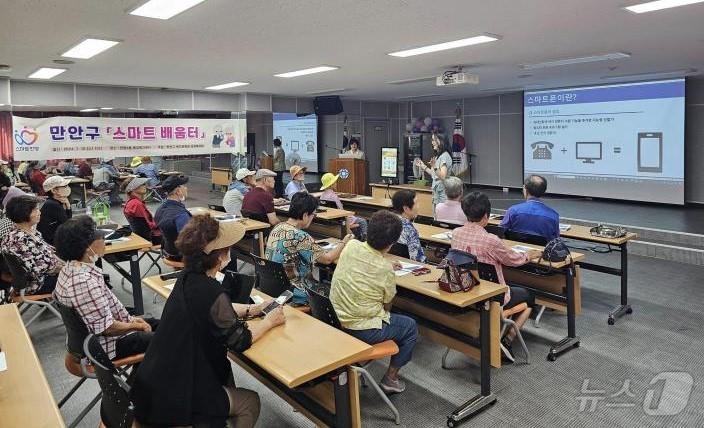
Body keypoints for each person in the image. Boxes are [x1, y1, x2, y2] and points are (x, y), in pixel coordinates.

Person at [132, 215, 285, 427]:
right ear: (218, 255)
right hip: (177, 397)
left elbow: (217, 310)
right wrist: (269, 321)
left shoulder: (187, 278)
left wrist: (254, 308)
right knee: (250, 401)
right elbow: (240, 341)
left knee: (225, 377)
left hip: (154, 384)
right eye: (228, 248)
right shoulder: (210, 290)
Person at [330, 210, 418, 393]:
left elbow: (367, 258)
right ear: (392, 244)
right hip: (362, 329)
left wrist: (384, 264)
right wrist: (385, 268)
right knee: (410, 326)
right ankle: (390, 379)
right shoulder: (385, 270)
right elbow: (387, 305)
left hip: (334, 319)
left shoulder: (352, 246)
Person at [53, 216, 158, 360]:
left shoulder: (69, 268)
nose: (104, 240)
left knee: (162, 325)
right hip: (107, 346)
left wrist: (131, 320)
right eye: (99, 237)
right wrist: (135, 326)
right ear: (86, 247)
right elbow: (107, 329)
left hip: (98, 337)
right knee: (167, 340)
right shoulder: (84, 282)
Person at [452, 192, 542, 355]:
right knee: (529, 297)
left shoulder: (456, 233)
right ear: (486, 216)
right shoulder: (491, 240)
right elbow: (514, 260)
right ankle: (507, 340)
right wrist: (530, 254)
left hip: (468, 288)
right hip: (494, 296)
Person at [265, 193, 353, 304]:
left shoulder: (278, 227)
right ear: (305, 215)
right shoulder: (300, 236)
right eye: (313, 215)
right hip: (296, 291)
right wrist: (344, 241)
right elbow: (327, 259)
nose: (313, 218)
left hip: (276, 286)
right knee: (339, 294)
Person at [1, 195, 64, 294]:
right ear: (24, 214)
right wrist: (70, 267)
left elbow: (49, 253)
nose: (39, 212)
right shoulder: (21, 241)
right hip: (39, 284)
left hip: (43, 275)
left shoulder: (27, 231)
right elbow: (48, 268)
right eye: (36, 210)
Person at [500, 175, 560, 241]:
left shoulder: (513, 211)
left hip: (515, 249)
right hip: (541, 250)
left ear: (525, 190)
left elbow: (501, 231)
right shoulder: (554, 216)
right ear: (544, 191)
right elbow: (556, 240)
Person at [319, 172, 367, 240]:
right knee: (363, 221)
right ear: (331, 185)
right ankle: (363, 240)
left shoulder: (322, 195)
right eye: (335, 182)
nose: (336, 184)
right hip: (341, 219)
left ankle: (357, 238)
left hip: (332, 220)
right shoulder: (334, 196)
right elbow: (342, 211)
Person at [155, 175, 192, 260]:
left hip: (167, 250)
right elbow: (188, 240)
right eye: (184, 186)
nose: (186, 188)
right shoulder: (181, 215)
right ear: (178, 191)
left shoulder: (160, 209)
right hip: (181, 255)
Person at [415, 133, 453, 214]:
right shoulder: (437, 156)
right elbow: (434, 174)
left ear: (441, 141)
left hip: (442, 194)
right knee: (435, 216)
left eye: (434, 140)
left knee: (441, 218)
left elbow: (442, 176)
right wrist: (423, 166)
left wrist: (434, 166)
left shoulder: (445, 156)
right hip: (436, 193)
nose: (432, 142)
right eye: (432, 140)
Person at [123, 177, 162, 245]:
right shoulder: (137, 204)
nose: (145, 186)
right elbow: (148, 225)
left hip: (142, 236)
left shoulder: (131, 202)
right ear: (133, 188)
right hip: (151, 238)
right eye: (142, 184)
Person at [391, 190, 426, 262]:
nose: (418, 207)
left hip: (390, 262)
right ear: (406, 208)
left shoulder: (386, 222)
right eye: (416, 203)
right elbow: (418, 259)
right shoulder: (410, 230)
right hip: (406, 266)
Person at [37, 176, 73, 245]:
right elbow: (68, 225)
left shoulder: (55, 202)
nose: (67, 188)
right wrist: (68, 207)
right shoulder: (53, 205)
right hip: (52, 242)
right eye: (64, 186)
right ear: (54, 191)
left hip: (55, 237)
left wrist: (68, 206)